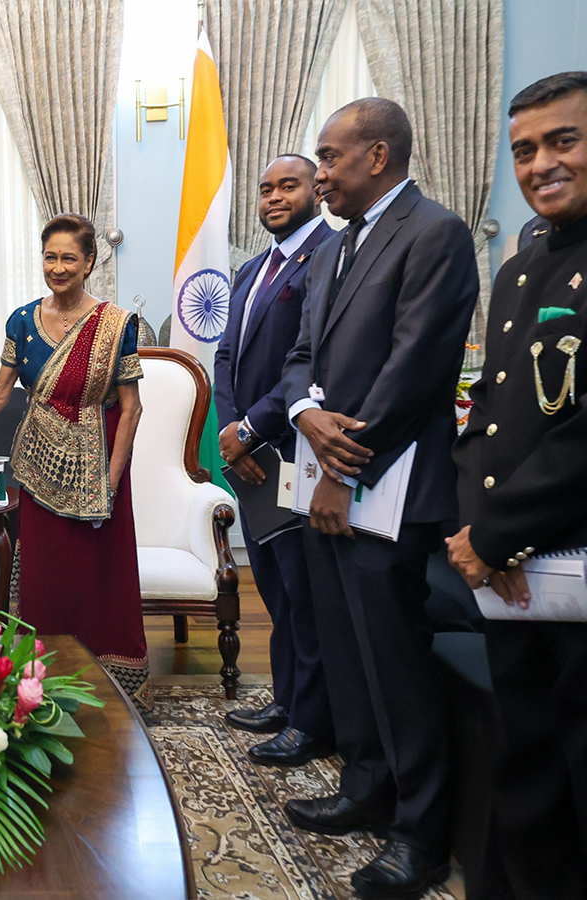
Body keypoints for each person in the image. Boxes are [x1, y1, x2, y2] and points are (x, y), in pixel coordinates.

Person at [280, 99, 478, 898]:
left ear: (379, 155)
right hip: (328, 483)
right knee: (348, 653)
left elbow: (414, 368)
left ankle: (420, 835)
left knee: (395, 665)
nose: (318, 173)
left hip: (388, 489)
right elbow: (301, 358)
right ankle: (365, 789)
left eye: (330, 157)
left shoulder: (435, 233)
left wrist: (340, 469)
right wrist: (302, 411)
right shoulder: (335, 247)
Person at [448, 70, 587, 900]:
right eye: (525, 150)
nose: (540, 165)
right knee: (528, 774)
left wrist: (495, 531)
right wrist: (478, 535)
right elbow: (486, 418)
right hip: (513, 577)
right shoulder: (522, 264)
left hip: (568, 566)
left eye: (563, 141)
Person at [0, 213, 150, 711]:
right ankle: (39, 679)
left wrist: (110, 479)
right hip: (39, 467)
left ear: (88, 264)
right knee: (45, 576)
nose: (57, 267)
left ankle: (109, 682)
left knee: (98, 576)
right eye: (50, 257)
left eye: (68, 258)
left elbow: (131, 407)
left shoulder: (116, 324)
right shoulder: (21, 319)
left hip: (99, 467)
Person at [213, 155, 334, 765]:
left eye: (289, 185)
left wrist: (252, 431)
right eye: (265, 189)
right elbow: (226, 357)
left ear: (318, 189)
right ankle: (286, 698)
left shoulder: (332, 257)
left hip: (296, 454)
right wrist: (229, 433)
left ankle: (312, 721)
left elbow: (309, 362)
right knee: (274, 590)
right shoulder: (253, 269)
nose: (275, 197)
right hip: (249, 457)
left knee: (304, 591)